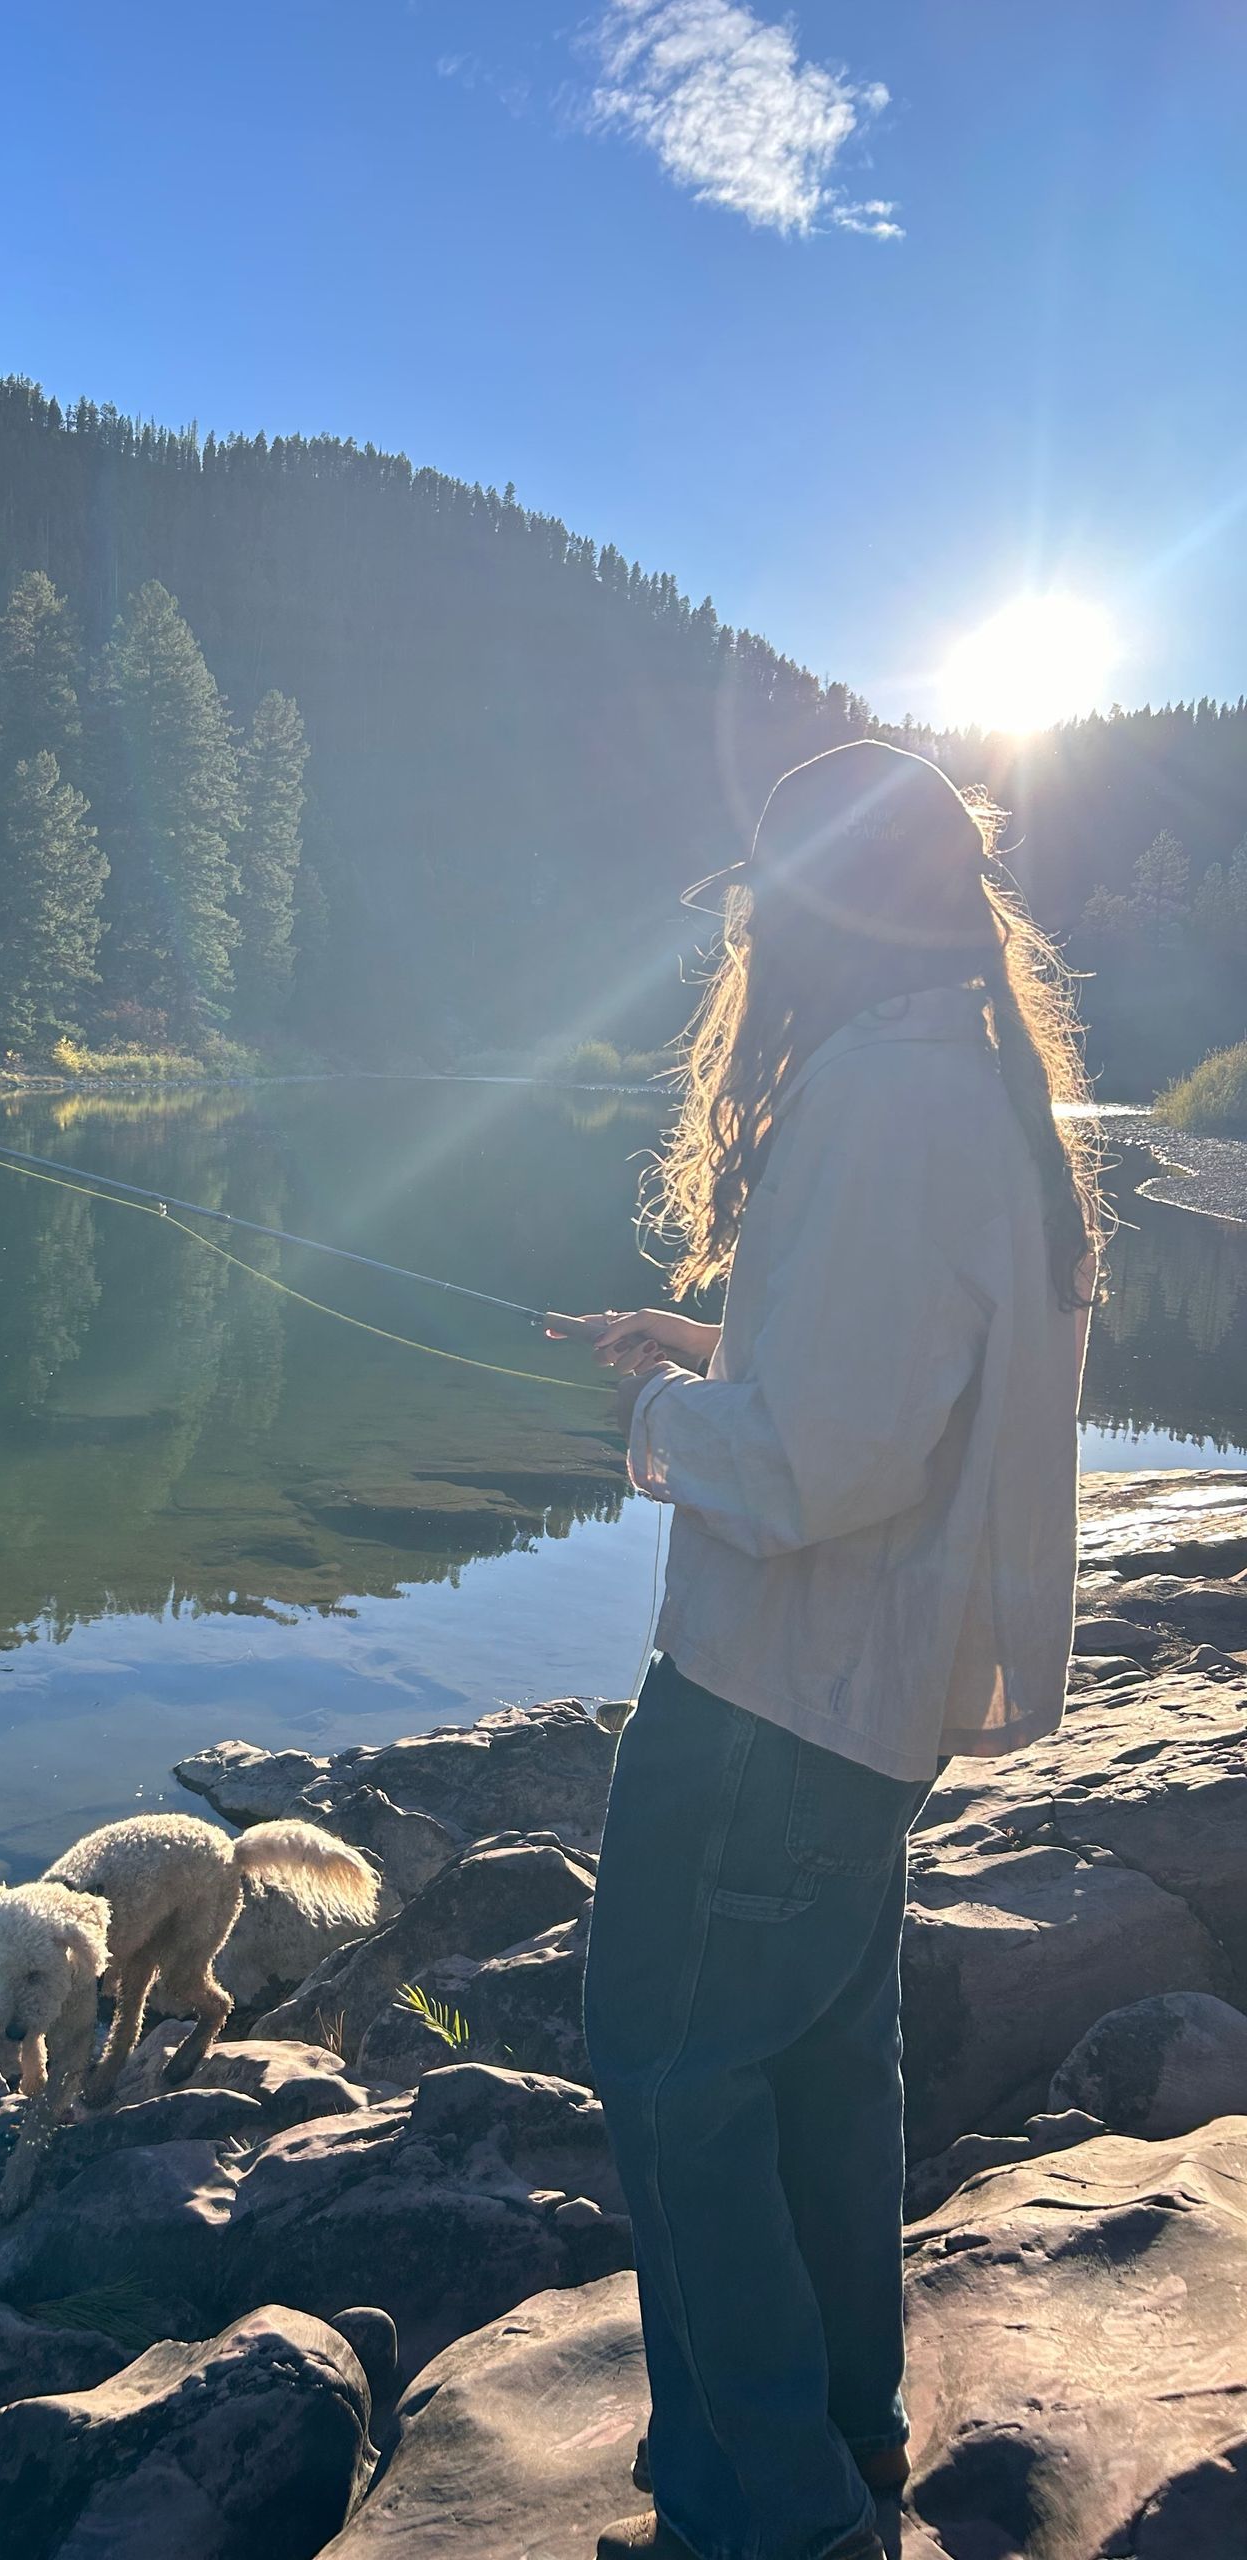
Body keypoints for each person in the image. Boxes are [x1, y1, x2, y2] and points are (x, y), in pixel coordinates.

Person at [546, 739, 1104, 2560]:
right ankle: (847, 2451)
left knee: (670, 2073)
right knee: (808, 2071)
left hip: (773, 1704)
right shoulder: (969, 1083)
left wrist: (654, 1431)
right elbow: (875, 1372)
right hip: (861, 1708)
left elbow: (820, 1462)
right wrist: (705, 1344)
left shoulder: (889, 1098)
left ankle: (765, 2513)